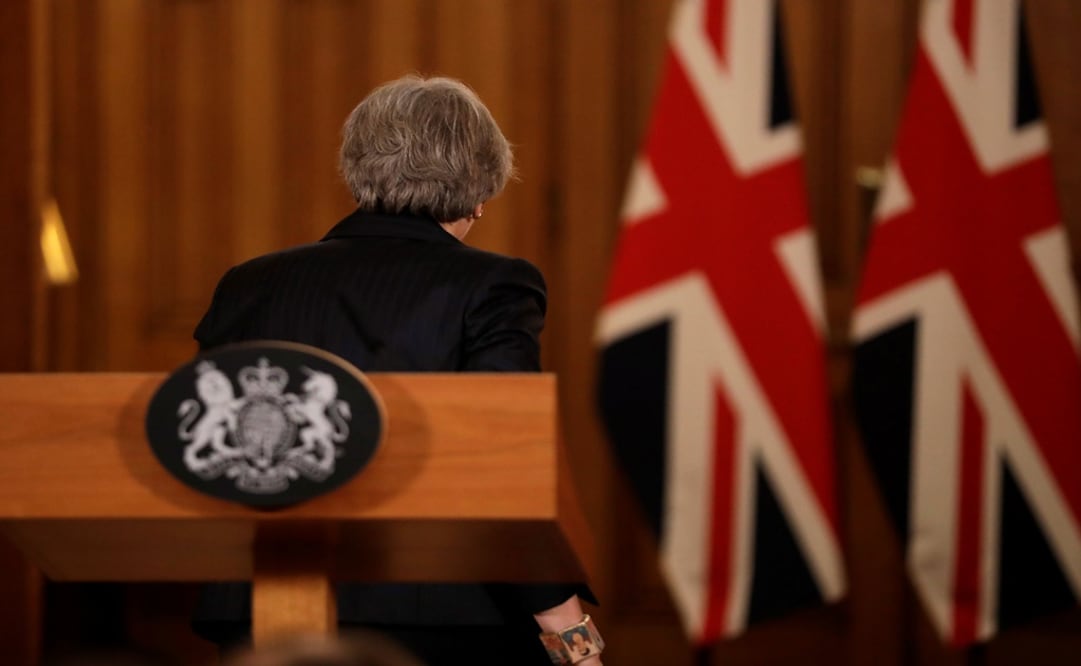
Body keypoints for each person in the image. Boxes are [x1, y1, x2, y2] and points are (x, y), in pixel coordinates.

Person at [192, 75, 602, 665]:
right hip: (442, 615)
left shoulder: (247, 283)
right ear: (481, 189)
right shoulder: (494, 283)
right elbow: (498, 457)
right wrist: (568, 631)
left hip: (257, 603)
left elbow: (213, 456)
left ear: (359, 170)